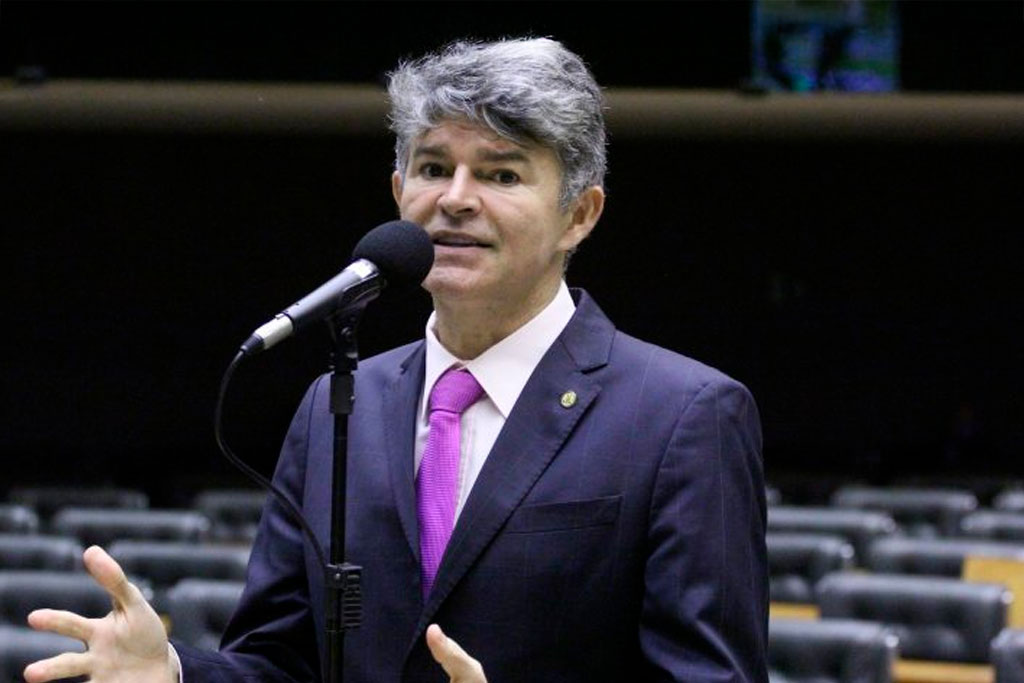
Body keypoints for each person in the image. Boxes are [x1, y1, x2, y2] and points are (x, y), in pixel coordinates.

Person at [25, 37, 768, 683]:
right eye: (433, 167)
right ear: (396, 191)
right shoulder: (339, 402)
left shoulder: (683, 417)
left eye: (502, 174)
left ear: (580, 213)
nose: (455, 199)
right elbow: (284, 663)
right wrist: (176, 670)